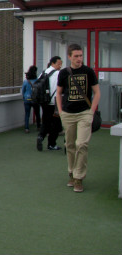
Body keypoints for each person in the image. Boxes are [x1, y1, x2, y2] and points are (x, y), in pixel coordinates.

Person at [56, 44, 101, 193]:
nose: (79, 59)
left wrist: (91, 111)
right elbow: (59, 93)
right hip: (68, 114)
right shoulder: (63, 73)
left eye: (81, 56)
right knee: (70, 145)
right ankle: (71, 172)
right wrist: (61, 112)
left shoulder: (88, 71)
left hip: (84, 113)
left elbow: (97, 92)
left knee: (81, 144)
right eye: (76, 56)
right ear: (69, 57)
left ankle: (78, 178)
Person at [37, 56, 63, 151]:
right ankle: (51, 144)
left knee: (46, 121)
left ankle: (40, 136)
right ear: (53, 63)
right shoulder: (59, 74)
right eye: (58, 63)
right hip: (55, 102)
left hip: (44, 102)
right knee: (55, 124)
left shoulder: (43, 73)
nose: (60, 65)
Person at [21, 65, 41, 133]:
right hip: (35, 99)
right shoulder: (37, 80)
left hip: (27, 99)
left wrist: (24, 97)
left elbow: (23, 90)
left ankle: (27, 128)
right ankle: (38, 126)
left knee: (27, 114)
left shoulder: (26, 81)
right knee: (37, 113)